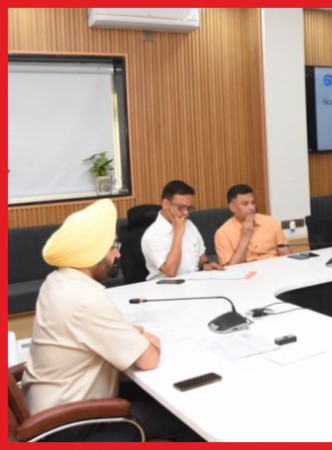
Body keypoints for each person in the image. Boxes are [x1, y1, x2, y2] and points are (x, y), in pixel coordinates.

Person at [23, 199, 199, 441]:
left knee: (155, 398)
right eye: (112, 247)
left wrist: (134, 335)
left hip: (49, 407)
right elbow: (149, 359)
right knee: (187, 420)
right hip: (70, 424)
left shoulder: (56, 281)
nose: (118, 254)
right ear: (91, 253)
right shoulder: (86, 298)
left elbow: (101, 331)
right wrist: (149, 340)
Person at [141, 180, 223, 280]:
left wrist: (205, 264)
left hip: (193, 281)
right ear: (165, 204)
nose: (186, 213)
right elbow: (170, 272)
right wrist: (178, 234)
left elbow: (200, 254)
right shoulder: (151, 236)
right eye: (181, 207)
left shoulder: (189, 224)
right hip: (165, 286)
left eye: (189, 208)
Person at [215, 184, 289, 266]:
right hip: (246, 272)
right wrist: (245, 238)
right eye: (245, 204)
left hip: (275, 268)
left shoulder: (270, 221)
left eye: (253, 203)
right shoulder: (222, 234)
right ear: (232, 207)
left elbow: (286, 255)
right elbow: (231, 269)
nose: (252, 208)